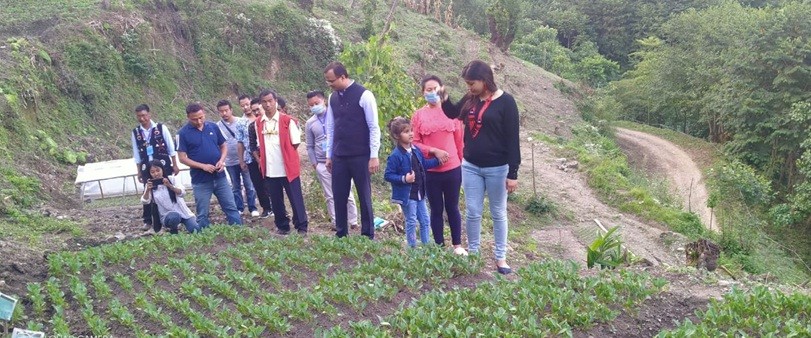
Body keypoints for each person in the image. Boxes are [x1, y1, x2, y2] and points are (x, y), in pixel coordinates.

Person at [439, 60, 521, 274]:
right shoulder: (471, 99)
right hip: (471, 165)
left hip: (498, 168)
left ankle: (500, 257)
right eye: (467, 83)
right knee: (473, 211)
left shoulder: (506, 102)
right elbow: (454, 114)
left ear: (485, 80)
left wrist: (513, 172)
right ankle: (474, 252)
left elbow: (513, 139)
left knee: (498, 212)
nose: (469, 87)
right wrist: (445, 99)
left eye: (472, 83)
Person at [323, 61, 381, 239]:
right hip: (340, 155)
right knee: (339, 194)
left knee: (364, 195)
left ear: (343, 77)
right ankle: (341, 234)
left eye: (331, 80)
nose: (329, 84)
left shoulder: (364, 95)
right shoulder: (333, 98)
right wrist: (329, 155)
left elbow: (373, 127)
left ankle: (367, 234)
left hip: (360, 155)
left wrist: (373, 155)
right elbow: (331, 127)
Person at [411, 75, 467, 255]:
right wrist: (433, 150)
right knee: (436, 209)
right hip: (431, 170)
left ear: (442, 90)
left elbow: (459, 140)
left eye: (436, 89)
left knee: (453, 206)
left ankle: (457, 245)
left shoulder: (452, 112)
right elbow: (415, 143)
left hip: (453, 169)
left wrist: (461, 161)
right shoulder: (418, 115)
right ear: (422, 92)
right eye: (428, 89)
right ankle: (439, 246)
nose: (433, 93)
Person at [250, 89, 308, 235]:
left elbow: (295, 143)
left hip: (288, 167)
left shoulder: (288, 121)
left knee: (295, 199)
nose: (268, 104)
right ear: (261, 104)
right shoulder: (258, 123)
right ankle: (282, 226)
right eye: (264, 101)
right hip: (269, 168)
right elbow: (259, 145)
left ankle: (301, 226)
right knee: (276, 200)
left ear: (276, 101)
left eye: (270, 101)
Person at [177, 103, 242, 228]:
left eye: (201, 117)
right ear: (188, 117)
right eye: (195, 119)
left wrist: (222, 160)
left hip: (220, 176)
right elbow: (182, 158)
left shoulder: (213, 127)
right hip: (200, 180)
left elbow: (223, 145)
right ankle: (204, 237)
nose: (199, 121)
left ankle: (238, 231)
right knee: (202, 212)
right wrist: (202, 166)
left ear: (204, 114)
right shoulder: (183, 134)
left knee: (231, 206)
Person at [305, 90, 359, 230]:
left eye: (317, 103)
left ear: (324, 101)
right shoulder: (310, 123)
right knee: (330, 195)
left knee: (347, 193)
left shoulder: (336, 115)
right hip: (322, 164)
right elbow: (309, 146)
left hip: (340, 160)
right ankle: (337, 222)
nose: (314, 106)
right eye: (311, 105)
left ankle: (353, 221)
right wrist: (315, 163)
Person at [384, 117, 439, 247]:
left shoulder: (416, 150)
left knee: (425, 220)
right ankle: (412, 248)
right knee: (411, 221)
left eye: (411, 130)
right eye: (406, 131)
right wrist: (404, 179)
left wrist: (438, 160)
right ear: (397, 135)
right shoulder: (395, 156)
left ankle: (426, 247)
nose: (410, 134)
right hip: (408, 196)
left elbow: (424, 164)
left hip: (420, 192)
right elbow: (388, 175)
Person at [131, 104, 180, 233]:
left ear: (149, 114)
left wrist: (175, 164)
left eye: (144, 115)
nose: (142, 119)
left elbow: (171, 147)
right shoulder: (136, 132)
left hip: (163, 163)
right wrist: (139, 171)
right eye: (139, 116)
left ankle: (174, 214)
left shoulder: (160, 128)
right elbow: (136, 154)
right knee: (149, 190)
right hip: (147, 166)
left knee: (168, 187)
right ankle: (148, 220)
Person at [217, 99, 260, 217]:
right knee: (235, 186)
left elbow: (247, 139)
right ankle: (239, 208)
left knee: (249, 185)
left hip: (245, 159)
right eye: (221, 111)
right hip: (230, 161)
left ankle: (253, 208)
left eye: (226, 110)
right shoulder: (217, 126)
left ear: (231, 110)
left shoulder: (242, 122)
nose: (224, 113)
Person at [140, 160, 201, 235]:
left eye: (158, 170)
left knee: (196, 230)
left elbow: (182, 193)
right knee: (174, 217)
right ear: (150, 174)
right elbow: (145, 201)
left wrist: (170, 186)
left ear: (162, 169)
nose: (156, 174)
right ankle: (173, 230)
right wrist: (148, 190)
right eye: (152, 172)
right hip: (166, 215)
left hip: (183, 212)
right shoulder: (150, 185)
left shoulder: (172, 179)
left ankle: (182, 225)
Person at [236, 94, 272, 218]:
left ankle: (275, 206)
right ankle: (266, 208)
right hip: (251, 158)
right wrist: (241, 160)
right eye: (242, 106)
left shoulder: (267, 120)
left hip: (268, 157)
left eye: (247, 104)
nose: (246, 107)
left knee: (270, 182)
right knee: (258, 184)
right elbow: (240, 142)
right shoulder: (241, 123)